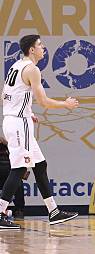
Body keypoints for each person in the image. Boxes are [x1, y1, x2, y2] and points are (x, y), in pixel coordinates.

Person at [1, 35, 79, 229]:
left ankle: (53, 211)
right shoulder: (32, 70)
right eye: (40, 45)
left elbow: (6, 96)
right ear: (31, 49)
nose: (43, 48)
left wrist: (27, 112)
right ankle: (0, 211)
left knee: (40, 165)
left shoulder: (16, 66)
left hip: (16, 120)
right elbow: (44, 102)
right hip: (19, 124)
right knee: (19, 168)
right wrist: (66, 104)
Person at [0, 135, 25, 220]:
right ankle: (13, 211)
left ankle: (19, 210)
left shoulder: (7, 145)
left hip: (8, 170)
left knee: (18, 182)